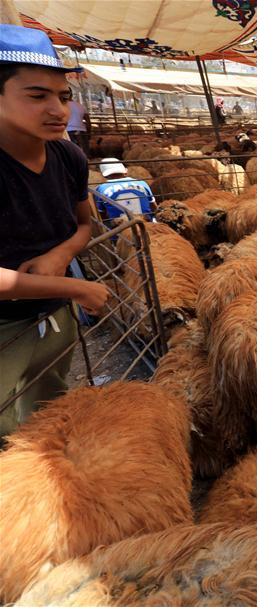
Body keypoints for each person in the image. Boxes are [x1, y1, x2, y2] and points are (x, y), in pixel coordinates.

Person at [0, 24, 110, 437]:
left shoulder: (68, 158)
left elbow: (85, 224)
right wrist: (76, 289)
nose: (58, 110)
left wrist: (60, 256)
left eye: (63, 96)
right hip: (5, 325)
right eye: (36, 95)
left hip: (51, 316)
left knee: (48, 405)